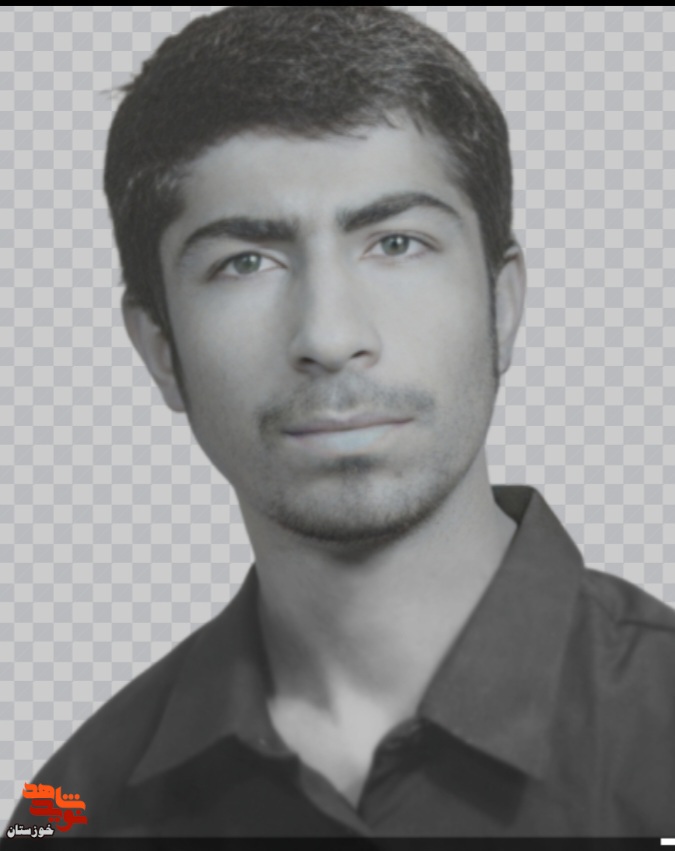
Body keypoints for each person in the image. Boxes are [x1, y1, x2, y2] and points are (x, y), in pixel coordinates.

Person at [4, 5, 675, 840]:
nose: (328, 334)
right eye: (244, 262)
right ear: (160, 350)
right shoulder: (70, 810)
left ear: (501, 306)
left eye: (395, 243)